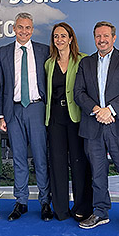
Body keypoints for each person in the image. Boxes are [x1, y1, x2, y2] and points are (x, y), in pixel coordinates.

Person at [74, 21, 119, 235]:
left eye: (106, 36)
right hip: (94, 124)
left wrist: (110, 110)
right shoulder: (85, 63)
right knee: (97, 172)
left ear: (114, 38)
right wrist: (97, 109)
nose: (101, 40)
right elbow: (79, 93)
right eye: (98, 36)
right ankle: (100, 211)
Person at [0, 12, 52, 221]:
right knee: (18, 157)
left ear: (33, 29)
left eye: (28, 27)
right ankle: (21, 201)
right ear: (13, 28)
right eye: (20, 27)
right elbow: (0, 85)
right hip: (13, 110)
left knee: (40, 157)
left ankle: (45, 202)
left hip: (37, 108)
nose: (24, 31)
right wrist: (1, 115)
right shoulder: (3, 52)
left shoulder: (43, 51)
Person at [44, 22, 93, 221]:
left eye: (63, 36)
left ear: (71, 38)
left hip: (76, 118)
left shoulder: (83, 60)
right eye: (56, 36)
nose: (59, 40)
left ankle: (82, 207)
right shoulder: (49, 63)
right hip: (55, 117)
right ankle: (61, 209)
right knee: (57, 163)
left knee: (79, 162)